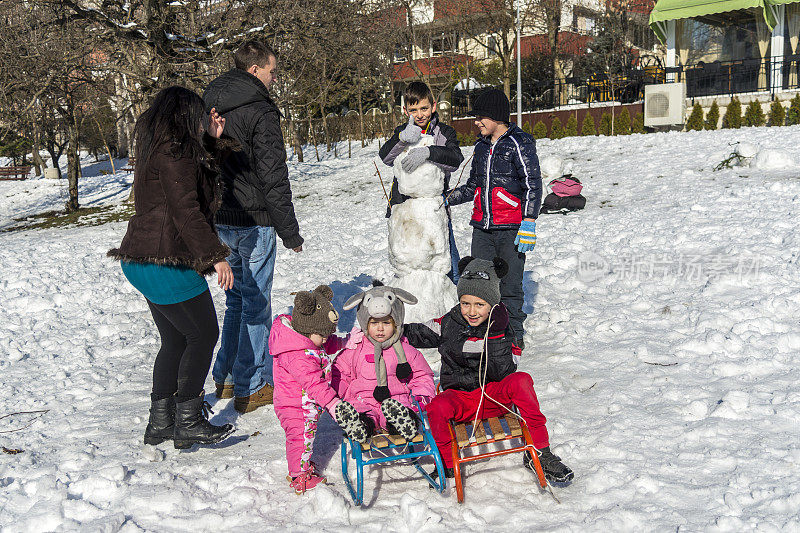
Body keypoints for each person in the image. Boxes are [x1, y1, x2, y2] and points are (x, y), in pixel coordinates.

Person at [108, 86, 236, 449]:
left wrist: (212, 142)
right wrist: (215, 254)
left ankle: (162, 423)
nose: (202, 121)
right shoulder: (175, 152)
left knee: (176, 339)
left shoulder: (158, 148)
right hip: (166, 261)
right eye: (198, 115)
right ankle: (189, 420)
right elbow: (187, 209)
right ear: (185, 115)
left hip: (141, 260)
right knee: (203, 335)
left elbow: (198, 186)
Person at [404, 257, 573, 483]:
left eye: (480, 304)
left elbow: (506, 370)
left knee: (522, 380)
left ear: (492, 303)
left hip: (494, 398)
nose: (472, 311)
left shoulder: (503, 327)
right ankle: (444, 462)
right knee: (437, 407)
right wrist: (389, 327)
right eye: (466, 303)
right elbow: (420, 332)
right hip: (460, 399)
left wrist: (493, 336)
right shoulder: (449, 322)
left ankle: (541, 453)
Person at [203, 40, 304, 414]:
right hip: (253, 220)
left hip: (222, 218)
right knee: (255, 305)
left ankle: (226, 375)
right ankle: (253, 383)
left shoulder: (210, 102)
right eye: (271, 71)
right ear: (254, 70)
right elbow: (273, 175)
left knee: (236, 301)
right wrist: (289, 230)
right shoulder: (261, 112)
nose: (274, 78)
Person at [445, 89, 541, 350]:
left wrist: (529, 221)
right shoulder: (480, 146)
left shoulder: (519, 143)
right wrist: (445, 198)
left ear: (496, 117)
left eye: (480, 117)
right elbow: (474, 184)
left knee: (509, 284)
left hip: (510, 228)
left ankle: (513, 334)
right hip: (482, 228)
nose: (476, 122)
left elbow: (532, 184)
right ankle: (482, 332)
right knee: (479, 282)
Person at [268, 285, 370, 494]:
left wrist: (345, 342)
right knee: (301, 438)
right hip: (295, 406)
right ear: (307, 328)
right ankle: (299, 477)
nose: (326, 340)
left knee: (304, 438)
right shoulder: (297, 355)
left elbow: (326, 344)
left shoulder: (307, 338)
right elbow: (315, 384)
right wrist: (332, 403)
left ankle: (300, 466)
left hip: (304, 404)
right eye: (322, 336)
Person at [379, 81, 465, 283]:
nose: (419, 114)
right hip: (404, 208)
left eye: (424, 108)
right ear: (405, 110)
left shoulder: (444, 133)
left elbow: (455, 159)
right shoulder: (403, 132)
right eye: (413, 110)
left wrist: (429, 152)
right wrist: (402, 139)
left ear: (433, 106)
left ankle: (456, 296)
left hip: (434, 208)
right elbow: (386, 158)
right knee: (408, 259)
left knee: (445, 257)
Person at [331, 283, 435, 441]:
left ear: (396, 323)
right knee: (361, 411)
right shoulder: (356, 348)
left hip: (396, 400)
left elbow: (422, 376)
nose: (380, 329)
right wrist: (340, 398)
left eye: (386, 323)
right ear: (365, 324)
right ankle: (360, 424)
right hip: (363, 400)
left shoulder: (406, 350)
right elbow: (340, 374)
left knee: (401, 409)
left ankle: (401, 423)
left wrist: (420, 398)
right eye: (374, 323)